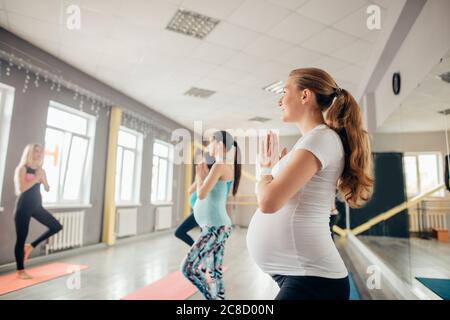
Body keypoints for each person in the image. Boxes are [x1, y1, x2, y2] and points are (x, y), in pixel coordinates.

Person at [247, 68, 374, 300]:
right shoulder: (312, 141)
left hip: (313, 279)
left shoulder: (320, 139)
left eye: (285, 91)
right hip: (302, 274)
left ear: (305, 95)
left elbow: (268, 201)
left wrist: (263, 177)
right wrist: (268, 170)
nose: (279, 100)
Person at [181, 131, 241, 300]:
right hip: (217, 226)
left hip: (215, 228)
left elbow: (201, 194)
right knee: (214, 272)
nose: (208, 147)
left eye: (211, 143)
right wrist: (201, 176)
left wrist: (199, 176)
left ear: (220, 145)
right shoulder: (220, 167)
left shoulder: (220, 166)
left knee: (187, 269)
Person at [13, 144, 63, 279]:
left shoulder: (41, 170)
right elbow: (22, 189)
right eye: (36, 151)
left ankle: (31, 246)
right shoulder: (23, 169)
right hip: (23, 207)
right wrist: (36, 178)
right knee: (21, 238)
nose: (39, 154)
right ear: (30, 152)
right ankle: (20, 271)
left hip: (37, 206)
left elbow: (46, 188)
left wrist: (44, 181)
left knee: (56, 226)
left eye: (41, 152)